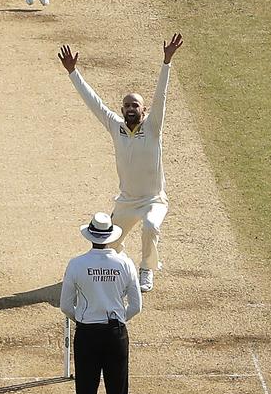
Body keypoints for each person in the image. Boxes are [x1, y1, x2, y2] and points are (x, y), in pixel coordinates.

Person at [58, 34, 182, 293]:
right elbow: (94, 102)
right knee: (109, 246)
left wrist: (166, 62)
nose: (130, 108)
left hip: (153, 200)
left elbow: (161, 96)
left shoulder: (153, 126)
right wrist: (73, 72)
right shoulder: (116, 127)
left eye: (135, 105)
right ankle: (121, 263)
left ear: (144, 110)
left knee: (150, 225)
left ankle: (146, 269)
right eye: (126, 105)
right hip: (126, 201)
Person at [60, 212, 142, 394]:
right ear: (110, 236)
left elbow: (66, 305)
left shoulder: (76, 264)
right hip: (116, 334)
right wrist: (119, 320)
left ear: (90, 236)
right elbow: (136, 306)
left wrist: (83, 319)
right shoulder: (125, 264)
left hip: (87, 334)